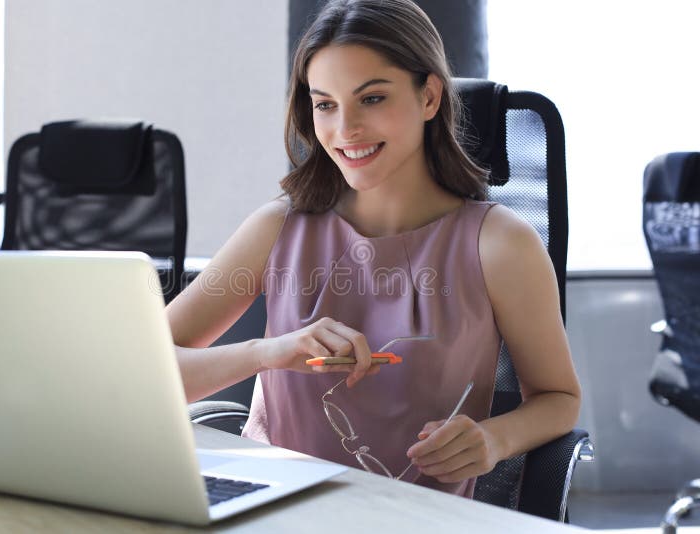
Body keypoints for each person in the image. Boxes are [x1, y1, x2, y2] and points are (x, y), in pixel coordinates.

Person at [166, 0, 581, 498]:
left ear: (429, 97)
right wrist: (266, 353)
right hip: (272, 510)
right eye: (325, 104)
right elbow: (145, 368)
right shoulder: (277, 227)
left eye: (372, 98)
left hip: (416, 518)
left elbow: (558, 397)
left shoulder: (501, 244)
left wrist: (495, 438)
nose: (345, 130)